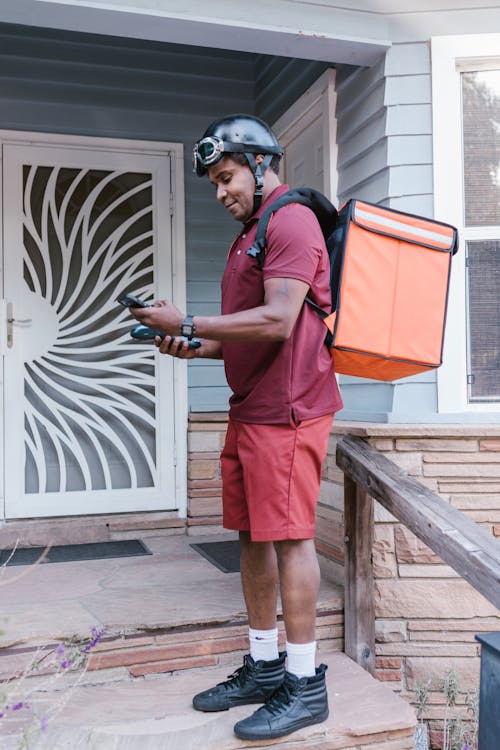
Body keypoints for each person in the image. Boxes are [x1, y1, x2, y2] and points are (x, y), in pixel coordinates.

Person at [130, 114, 343, 741]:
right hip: (250, 405)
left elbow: (279, 320)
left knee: (290, 538)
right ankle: (265, 665)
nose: (221, 192)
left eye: (226, 178)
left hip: (291, 408)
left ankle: (304, 685)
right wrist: (190, 345)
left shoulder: (291, 220)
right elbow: (247, 334)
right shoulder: (248, 234)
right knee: (252, 535)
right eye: (214, 184)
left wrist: (189, 320)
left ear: (258, 163)